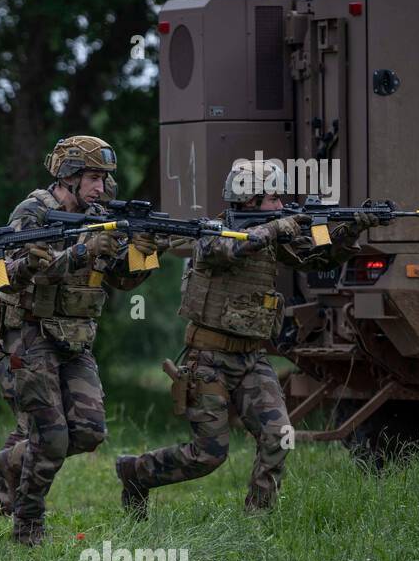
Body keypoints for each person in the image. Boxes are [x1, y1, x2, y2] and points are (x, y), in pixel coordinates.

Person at [115, 162, 380, 514]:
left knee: (278, 435)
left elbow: (315, 258)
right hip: (208, 360)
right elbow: (229, 251)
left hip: (253, 358)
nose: (280, 204)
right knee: (208, 455)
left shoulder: (272, 233)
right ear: (250, 199)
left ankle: (257, 518)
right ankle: (137, 472)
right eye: (273, 198)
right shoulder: (211, 232)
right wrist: (275, 228)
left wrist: (348, 232)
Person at [0, 135, 157, 544]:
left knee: (90, 432)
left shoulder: (100, 214)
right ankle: (27, 524)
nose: (101, 187)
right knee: (52, 437)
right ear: (69, 176)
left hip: (74, 337)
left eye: (103, 179)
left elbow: (124, 282)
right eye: (93, 178)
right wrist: (80, 251)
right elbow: (9, 274)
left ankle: (11, 460)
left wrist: (144, 251)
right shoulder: (34, 212)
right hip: (26, 331)